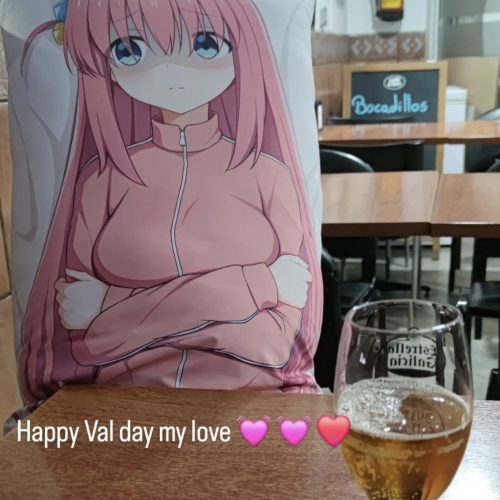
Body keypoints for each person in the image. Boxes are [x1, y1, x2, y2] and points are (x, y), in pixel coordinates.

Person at [17, 0, 322, 416]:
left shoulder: (268, 175)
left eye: (205, 44)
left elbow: (277, 339)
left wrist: (111, 305)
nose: (170, 71)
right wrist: (258, 283)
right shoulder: (101, 183)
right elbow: (83, 341)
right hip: (112, 418)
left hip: (253, 414)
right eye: (130, 50)